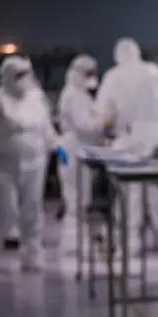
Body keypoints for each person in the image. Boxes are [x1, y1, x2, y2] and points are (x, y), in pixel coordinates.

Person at [84, 38, 158, 255]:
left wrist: (103, 127)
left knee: (129, 193)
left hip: (130, 140)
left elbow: (104, 114)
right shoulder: (153, 72)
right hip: (157, 140)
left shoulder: (114, 76)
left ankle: (129, 244)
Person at [0, 56, 68, 272]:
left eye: (25, 74)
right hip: (3, 166)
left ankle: (31, 255)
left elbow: (46, 128)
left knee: (32, 210)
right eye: (18, 75)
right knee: (6, 210)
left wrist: (57, 146)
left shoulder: (37, 99)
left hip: (35, 162)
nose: (23, 80)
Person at [57, 54, 102, 253]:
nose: (92, 77)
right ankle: (72, 244)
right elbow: (83, 125)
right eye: (89, 73)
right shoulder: (73, 96)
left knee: (81, 197)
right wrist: (103, 123)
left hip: (79, 148)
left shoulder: (81, 95)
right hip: (72, 148)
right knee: (75, 197)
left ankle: (76, 241)